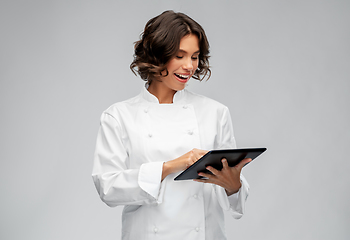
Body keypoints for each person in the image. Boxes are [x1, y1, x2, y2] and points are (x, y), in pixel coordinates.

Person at [92, 10, 251, 240]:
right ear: (157, 55)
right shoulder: (119, 116)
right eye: (179, 55)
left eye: (194, 57)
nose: (189, 66)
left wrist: (233, 185)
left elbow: (234, 195)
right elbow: (108, 187)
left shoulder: (215, 113)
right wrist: (171, 166)